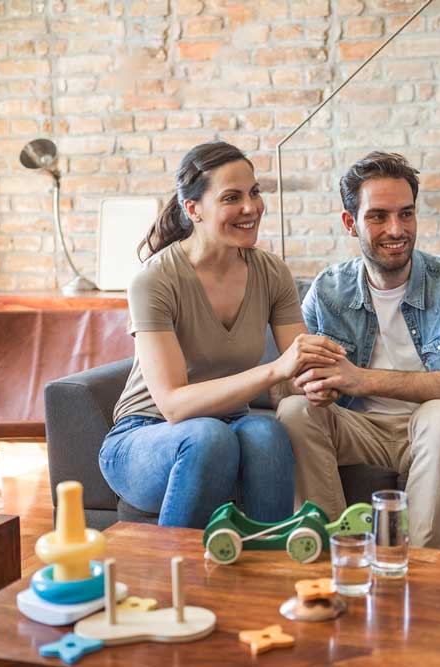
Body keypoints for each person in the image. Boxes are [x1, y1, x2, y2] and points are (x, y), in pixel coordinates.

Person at [276, 151, 440, 549]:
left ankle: (414, 576)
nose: (397, 229)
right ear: (350, 222)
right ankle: (331, 562)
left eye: (406, 214)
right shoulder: (327, 291)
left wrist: (361, 380)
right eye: (378, 216)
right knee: (294, 410)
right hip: (363, 431)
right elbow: (286, 382)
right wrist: (308, 386)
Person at [100, 141, 346, 528]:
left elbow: (294, 375)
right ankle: (176, 578)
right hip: (145, 437)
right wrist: (276, 370)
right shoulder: (155, 280)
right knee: (207, 438)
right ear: (193, 209)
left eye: (254, 192)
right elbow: (174, 406)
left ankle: (266, 571)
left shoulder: (271, 273)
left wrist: (318, 382)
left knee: (266, 432)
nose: (251, 208)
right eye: (232, 197)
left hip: (229, 426)